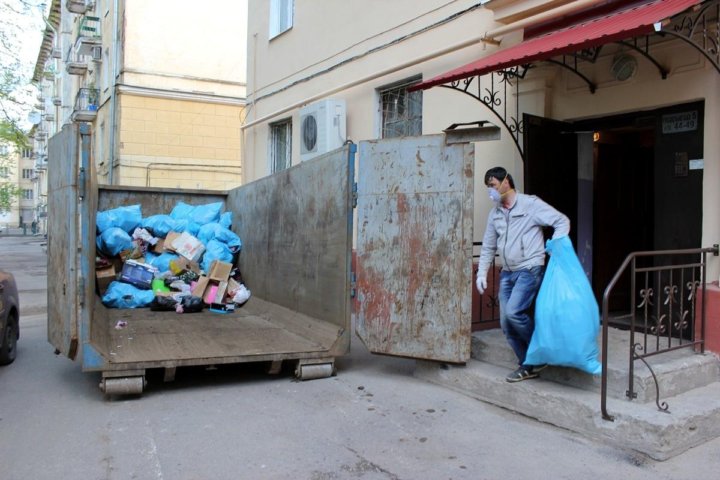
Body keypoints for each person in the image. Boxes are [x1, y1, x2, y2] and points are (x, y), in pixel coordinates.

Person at [476, 166, 570, 382]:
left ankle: (541, 349)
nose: (490, 191)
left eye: (492, 185)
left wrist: (556, 244)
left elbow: (561, 221)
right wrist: (481, 273)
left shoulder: (531, 204)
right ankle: (528, 364)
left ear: (506, 182)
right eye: (488, 187)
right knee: (506, 324)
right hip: (507, 272)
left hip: (529, 268)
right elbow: (489, 245)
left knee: (513, 313)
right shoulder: (495, 213)